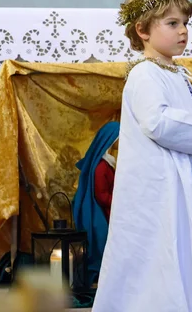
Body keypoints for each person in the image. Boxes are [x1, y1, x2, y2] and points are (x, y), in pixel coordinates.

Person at [92, 0, 192, 312]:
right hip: (156, 187)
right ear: (142, 30)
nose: (183, 31)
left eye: (185, 23)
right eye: (172, 23)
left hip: (179, 180)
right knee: (155, 256)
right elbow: (159, 122)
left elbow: (182, 117)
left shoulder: (176, 73)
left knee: (179, 251)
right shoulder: (143, 74)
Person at [72, 121, 120, 285]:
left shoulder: (108, 163)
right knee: (102, 242)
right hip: (100, 212)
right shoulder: (101, 167)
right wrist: (119, 202)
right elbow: (101, 195)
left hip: (108, 210)